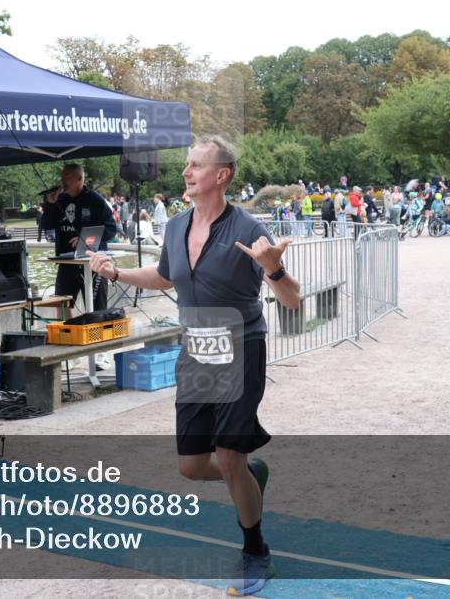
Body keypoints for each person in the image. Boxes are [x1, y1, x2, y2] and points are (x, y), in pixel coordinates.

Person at [88, 135, 300, 596]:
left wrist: (275, 269)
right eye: (186, 164)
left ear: (221, 175)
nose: (185, 172)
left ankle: (255, 551)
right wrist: (116, 272)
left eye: (195, 165)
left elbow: (292, 300)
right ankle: (248, 473)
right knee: (191, 466)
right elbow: (165, 276)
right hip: (197, 350)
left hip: (241, 347)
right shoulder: (176, 225)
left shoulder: (248, 229)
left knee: (228, 454)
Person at [38, 163, 117, 312]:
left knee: (97, 309)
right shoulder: (60, 200)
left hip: (93, 263)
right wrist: (50, 205)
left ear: (79, 178)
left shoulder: (95, 200)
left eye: (67, 177)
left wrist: (85, 240)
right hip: (66, 262)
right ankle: (67, 328)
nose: (62, 180)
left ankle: (95, 328)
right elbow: (47, 225)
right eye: (62, 176)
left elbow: (111, 228)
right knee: (62, 306)